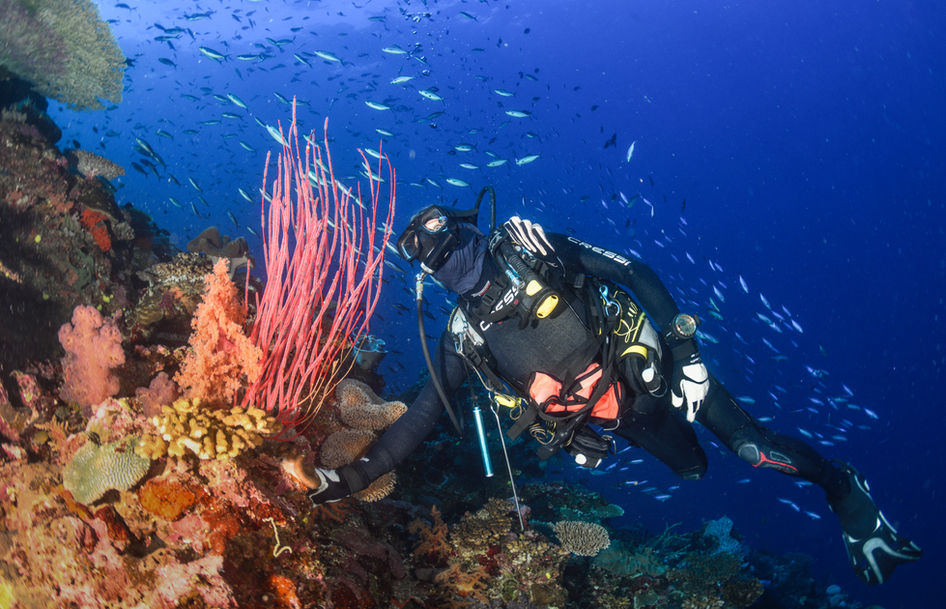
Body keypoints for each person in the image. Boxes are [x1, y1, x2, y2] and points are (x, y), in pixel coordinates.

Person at [289, 201, 921, 586]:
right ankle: (707, 453)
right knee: (694, 469)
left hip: (659, 374)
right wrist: (348, 478)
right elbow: (422, 416)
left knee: (753, 451)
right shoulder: (462, 336)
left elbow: (632, 272)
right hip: (616, 421)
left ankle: (841, 487)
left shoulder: (532, 251)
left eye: (448, 240)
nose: (448, 259)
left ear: (467, 227)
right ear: (427, 276)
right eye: (431, 259)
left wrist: (686, 353)